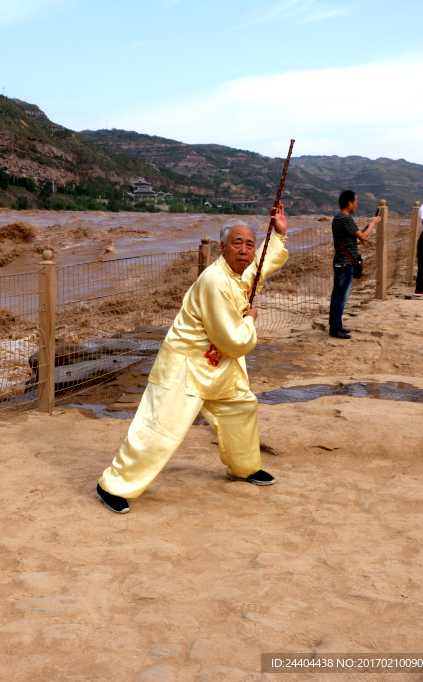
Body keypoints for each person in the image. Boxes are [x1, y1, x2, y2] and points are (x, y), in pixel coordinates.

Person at [95, 203, 289, 514]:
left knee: (241, 408)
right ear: (221, 247)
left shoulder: (240, 271)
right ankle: (112, 485)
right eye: (236, 243)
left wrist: (278, 235)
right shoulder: (215, 281)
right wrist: (251, 318)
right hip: (187, 365)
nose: (244, 250)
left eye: (249, 243)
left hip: (218, 366)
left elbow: (260, 266)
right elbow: (233, 340)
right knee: (160, 428)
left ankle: (244, 467)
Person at [329, 191, 380, 339]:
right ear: (349, 203)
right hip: (346, 263)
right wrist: (373, 224)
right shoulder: (346, 219)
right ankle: (336, 328)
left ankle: (336, 325)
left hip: (339, 262)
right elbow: (363, 237)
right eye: (356, 203)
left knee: (337, 296)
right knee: (341, 297)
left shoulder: (337, 219)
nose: (357, 205)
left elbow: (357, 234)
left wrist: (368, 224)